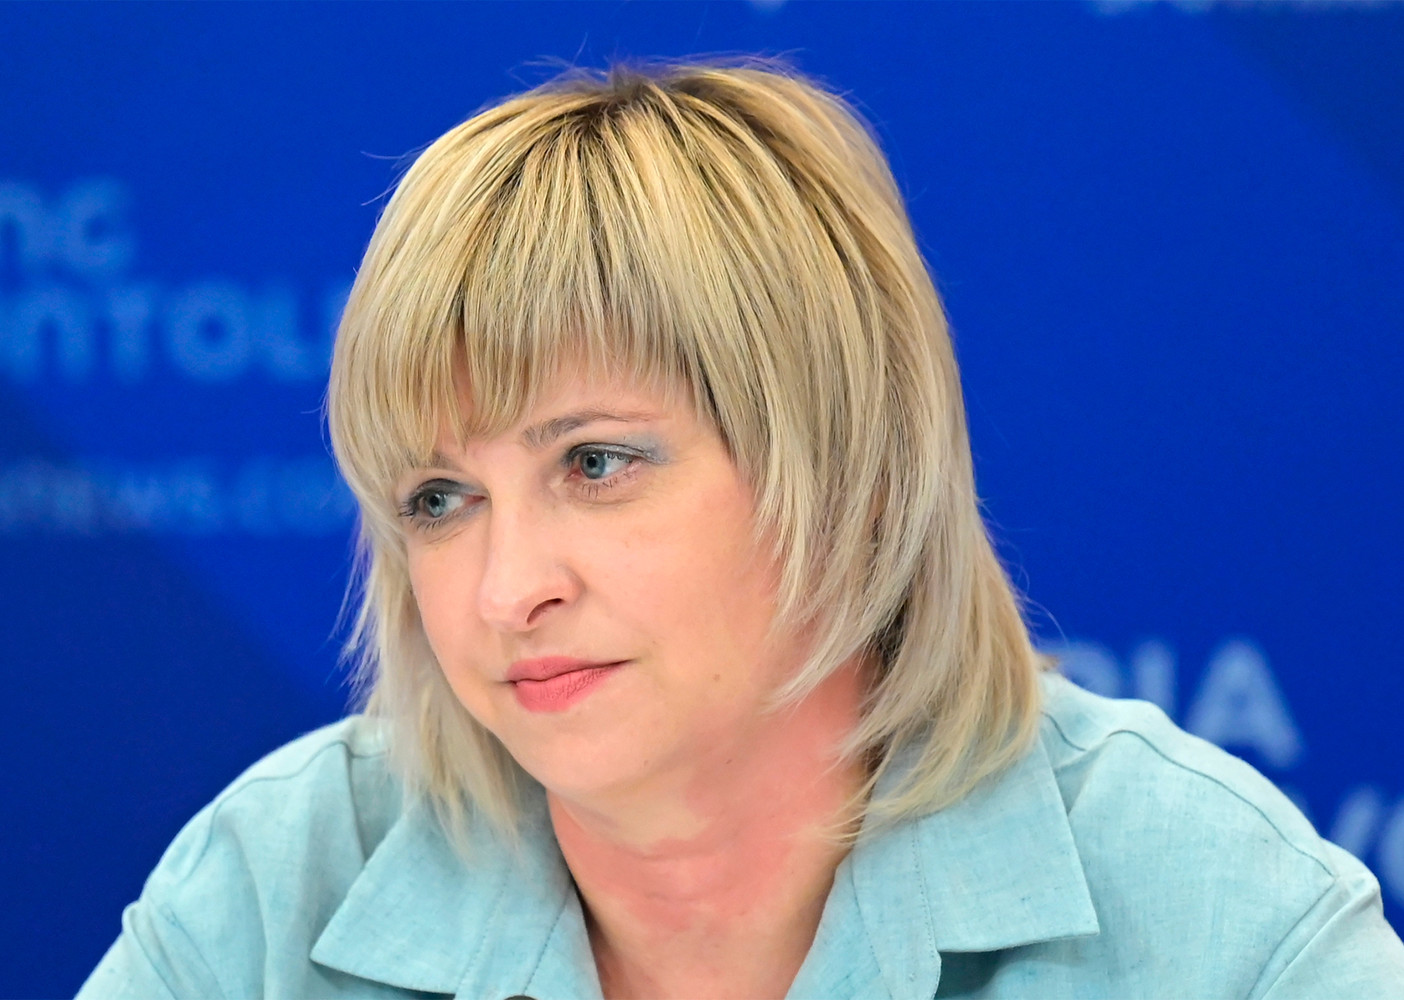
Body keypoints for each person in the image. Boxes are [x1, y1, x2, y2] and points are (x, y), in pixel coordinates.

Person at [79, 61, 1404, 999]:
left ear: (849, 468)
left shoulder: (1220, 921)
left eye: (596, 464)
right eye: (439, 500)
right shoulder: (275, 890)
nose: (503, 591)